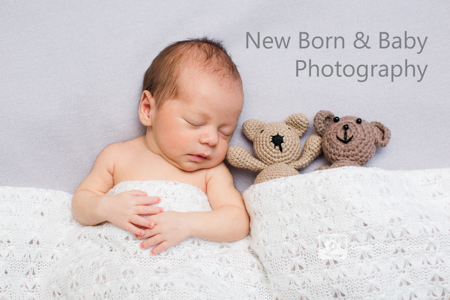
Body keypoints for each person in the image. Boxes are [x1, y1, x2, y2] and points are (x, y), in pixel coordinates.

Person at [71, 37, 249, 256]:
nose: (212, 140)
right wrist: (107, 207)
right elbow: (80, 204)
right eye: (195, 122)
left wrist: (187, 224)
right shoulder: (117, 157)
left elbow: (238, 221)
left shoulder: (211, 173)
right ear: (148, 109)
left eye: (225, 132)